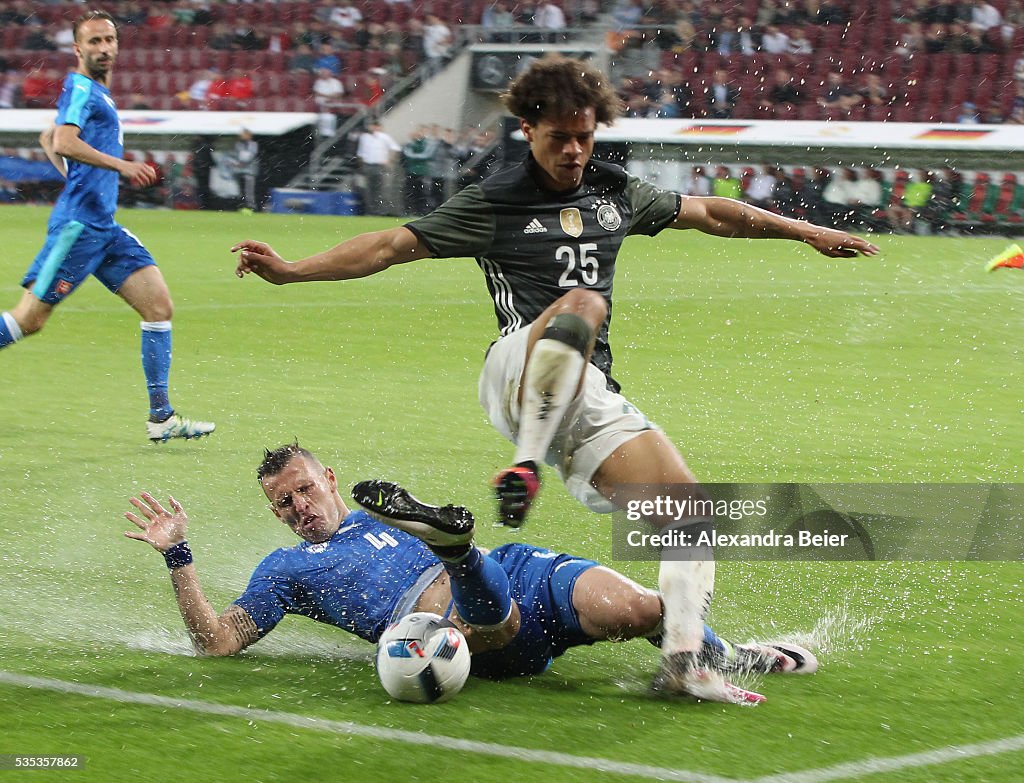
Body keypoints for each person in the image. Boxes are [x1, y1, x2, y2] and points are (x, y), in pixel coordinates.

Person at [230, 55, 876, 700]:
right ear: (526, 129)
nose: (573, 150)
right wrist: (291, 270)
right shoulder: (494, 202)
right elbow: (389, 245)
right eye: (558, 136)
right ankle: (526, 465)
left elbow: (711, 212)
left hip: (586, 391)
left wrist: (805, 231)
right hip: (516, 366)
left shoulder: (614, 192)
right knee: (584, 302)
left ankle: (686, 662)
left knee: (690, 515)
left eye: (584, 136)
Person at [124, 443, 815, 702]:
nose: (299, 506)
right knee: (473, 613)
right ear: (275, 515)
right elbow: (215, 639)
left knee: (642, 609)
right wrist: (178, 554)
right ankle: (456, 549)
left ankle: (728, 656)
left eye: (305, 488)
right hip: (456, 635)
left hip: (517, 572)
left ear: (329, 478)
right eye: (285, 502)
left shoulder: (375, 512)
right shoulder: (284, 570)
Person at [1, 10, 214, 442]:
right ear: (78, 49)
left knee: (158, 308)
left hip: (105, 228)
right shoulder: (82, 88)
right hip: (79, 229)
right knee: (29, 320)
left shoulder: (97, 91)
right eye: (94, 42)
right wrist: (121, 166)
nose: (104, 48)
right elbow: (62, 141)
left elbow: (49, 139)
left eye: (109, 40)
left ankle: (162, 418)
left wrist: (82, 178)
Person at [232, 128, 259, 212]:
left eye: (244, 134)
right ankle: (241, 205)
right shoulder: (238, 144)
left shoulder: (253, 144)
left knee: (249, 190)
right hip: (239, 171)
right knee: (239, 190)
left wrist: (243, 162)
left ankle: (251, 206)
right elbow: (235, 155)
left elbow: (252, 155)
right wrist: (236, 163)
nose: (242, 136)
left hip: (249, 171)